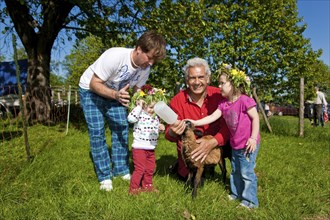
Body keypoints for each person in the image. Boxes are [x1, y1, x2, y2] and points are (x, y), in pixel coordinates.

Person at [78, 31, 166, 191]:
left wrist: (143, 103)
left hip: (117, 94)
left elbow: (138, 91)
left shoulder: (145, 68)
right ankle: (104, 176)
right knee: (97, 132)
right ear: (139, 49)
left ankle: (120, 170)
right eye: (149, 57)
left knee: (121, 128)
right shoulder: (114, 56)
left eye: (154, 60)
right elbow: (94, 84)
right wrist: (115, 94)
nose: (151, 63)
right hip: (90, 90)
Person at [187, 63, 260, 209]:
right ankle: (235, 194)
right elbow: (212, 117)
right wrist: (195, 122)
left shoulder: (245, 100)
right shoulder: (224, 104)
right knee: (235, 170)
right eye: (218, 83)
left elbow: (256, 118)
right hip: (235, 143)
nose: (218, 86)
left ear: (233, 84)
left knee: (246, 172)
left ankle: (250, 202)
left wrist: (252, 138)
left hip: (248, 144)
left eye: (222, 83)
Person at [164, 57, 230, 181]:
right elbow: (168, 134)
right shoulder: (177, 101)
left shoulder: (219, 96)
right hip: (192, 151)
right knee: (190, 178)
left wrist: (214, 141)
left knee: (237, 141)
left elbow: (229, 125)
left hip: (216, 145)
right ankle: (181, 165)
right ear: (187, 81)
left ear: (208, 78)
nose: (197, 82)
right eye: (192, 78)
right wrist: (173, 132)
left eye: (201, 77)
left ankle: (239, 174)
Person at [127, 85, 167, 195]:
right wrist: (139, 107)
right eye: (150, 107)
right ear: (144, 106)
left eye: (154, 108)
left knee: (150, 168)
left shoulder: (155, 117)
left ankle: (147, 186)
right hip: (139, 147)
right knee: (140, 169)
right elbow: (130, 119)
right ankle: (133, 188)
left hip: (151, 147)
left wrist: (161, 128)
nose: (152, 110)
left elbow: (156, 129)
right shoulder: (139, 114)